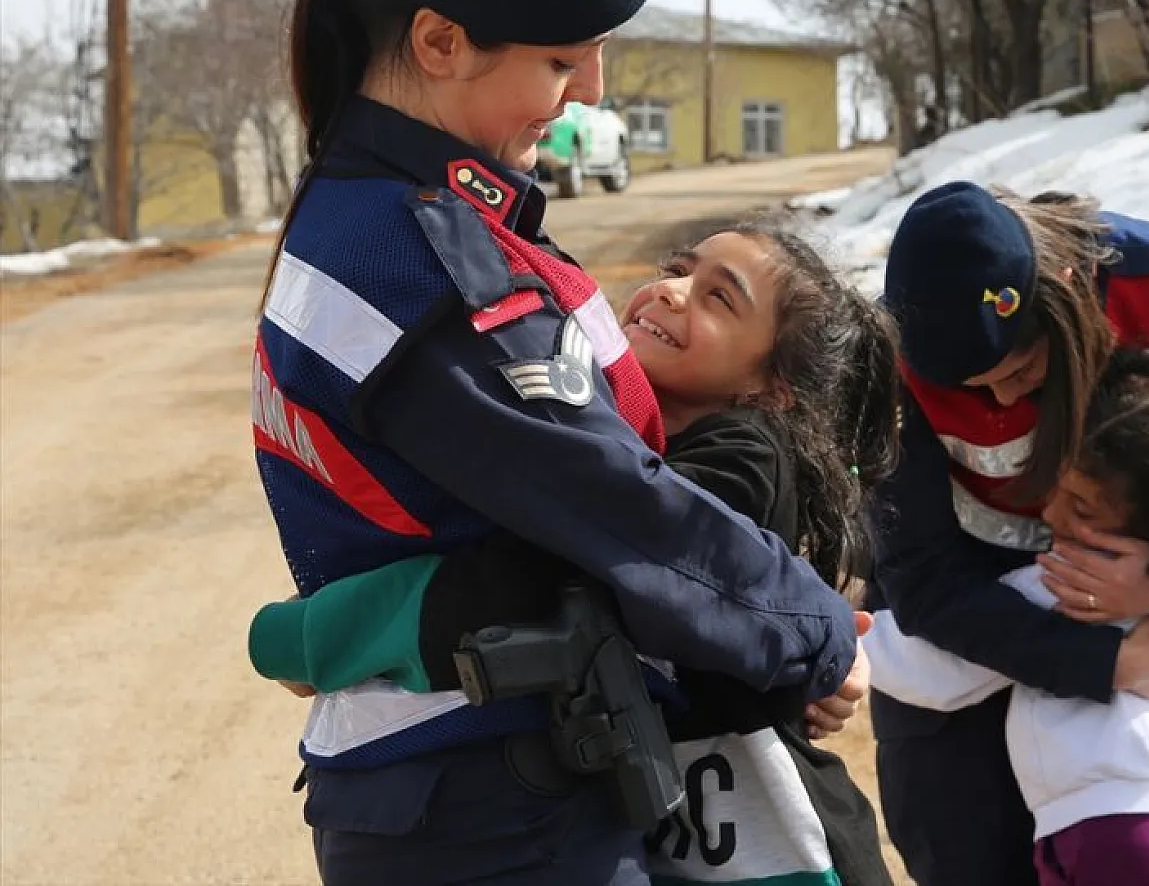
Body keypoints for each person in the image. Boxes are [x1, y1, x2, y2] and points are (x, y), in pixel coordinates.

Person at [254, 0, 858, 886]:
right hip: (490, 805)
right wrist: (807, 630)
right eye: (560, 59)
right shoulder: (421, 262)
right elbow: (607, 502)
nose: (588, 91)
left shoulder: (398, 215)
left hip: (473, 787)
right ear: (440, 41)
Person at [250, 223, 900, 886]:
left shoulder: (748, 452)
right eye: (678, 267)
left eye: (718, 298)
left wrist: (326, 633)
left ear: (770, 388)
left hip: (777, 856)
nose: (671, 292)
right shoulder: (604, 434)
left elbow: (563, 580)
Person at [869, 181, 1149, 886]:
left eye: (1022, 370)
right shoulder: (890, 353)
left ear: (1064, 293)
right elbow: (918, 579)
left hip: (1139, 630)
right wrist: (1095, 657)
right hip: (966, 627)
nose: (1003, 401)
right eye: (975, 387)